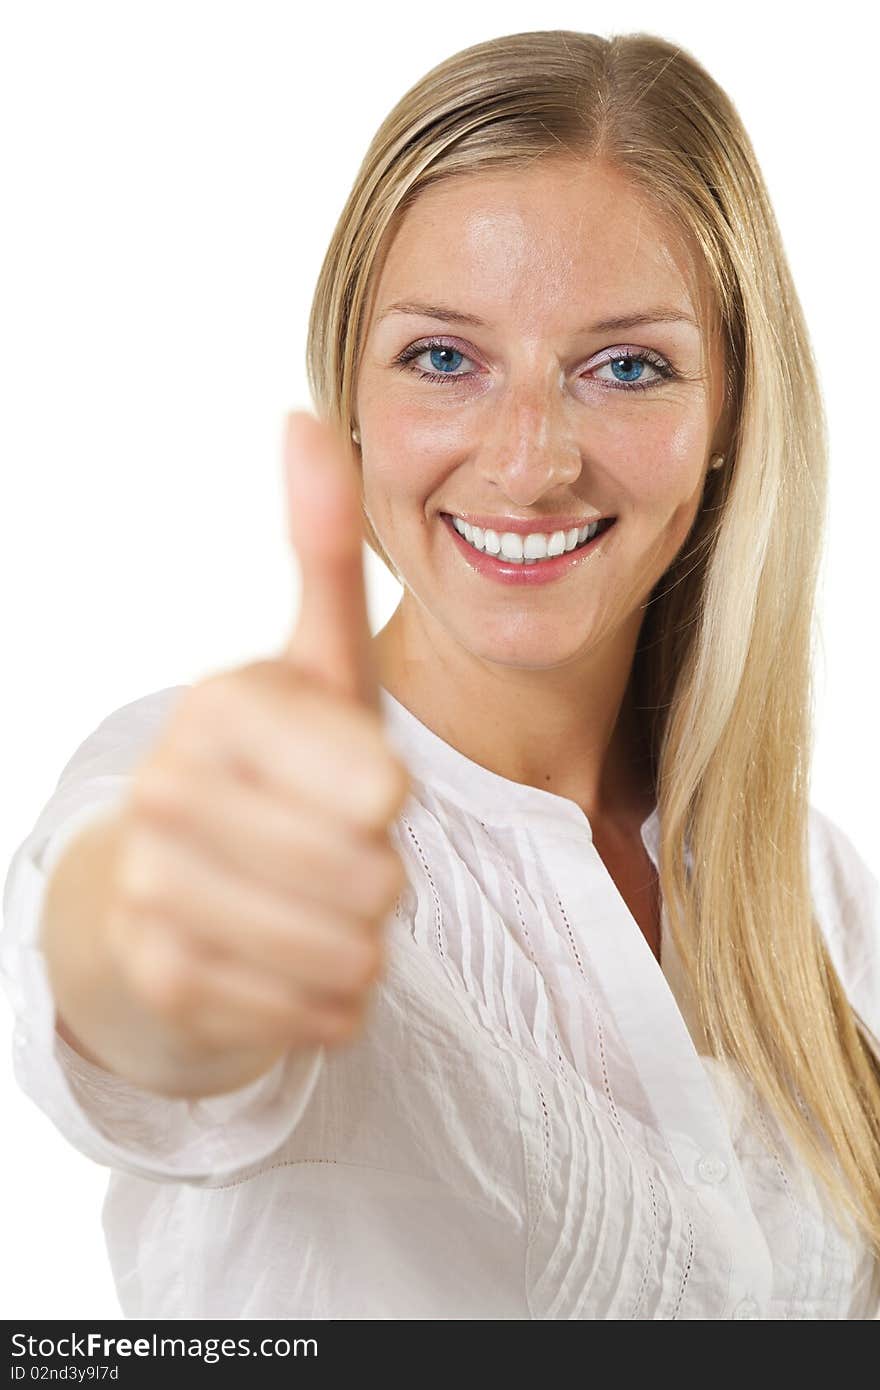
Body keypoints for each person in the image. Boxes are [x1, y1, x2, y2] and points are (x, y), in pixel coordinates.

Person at [3, 28, 879, 1320]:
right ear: (351, 387)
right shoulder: (227, 787)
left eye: (625, 366)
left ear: (731, 417)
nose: (530, 462)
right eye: (444, 358)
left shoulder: (815, 887)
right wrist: (160, 927)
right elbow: (123, 962)